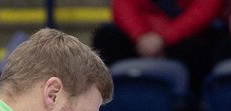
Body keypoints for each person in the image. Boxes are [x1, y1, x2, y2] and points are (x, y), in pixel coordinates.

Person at [92, 0, 224, 95]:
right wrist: (140, 36)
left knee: (201, 48)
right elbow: (123, 6)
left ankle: (194, 109)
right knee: (107, 37)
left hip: (184, 36)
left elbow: (203, 11)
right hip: (142, 34)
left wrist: (164, 38)